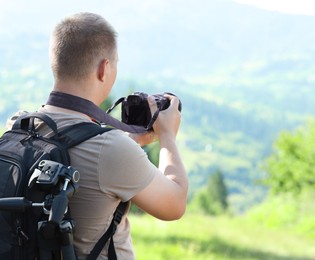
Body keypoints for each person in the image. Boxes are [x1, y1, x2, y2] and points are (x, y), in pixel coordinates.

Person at [13, 12, 187, 259]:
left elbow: (82, 149)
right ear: (104, 68)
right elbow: (175, 204)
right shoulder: (110, 149)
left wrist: (133, 143)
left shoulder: (20, 126)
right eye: (115, 62)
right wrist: (168, 136)